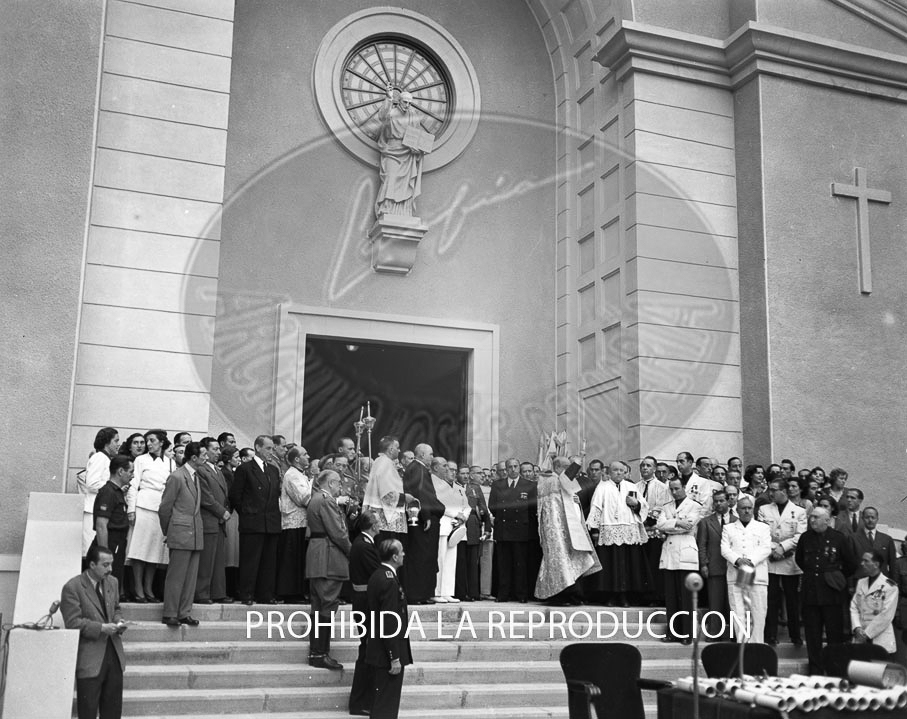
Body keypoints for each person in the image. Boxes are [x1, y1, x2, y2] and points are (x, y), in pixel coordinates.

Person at [61, 545, 127, 719]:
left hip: (114, 654)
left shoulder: (112, 582)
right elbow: (72, 623)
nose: (110, 569)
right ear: (91, 565)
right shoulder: (73, 587)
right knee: (88, 710)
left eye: (111, 564)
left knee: (113, 711)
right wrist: (101, 628)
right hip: (90, 658)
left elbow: (116, 608)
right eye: (105, 565)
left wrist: (118, 621)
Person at [796, 507, 858, 674]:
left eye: (816, 517)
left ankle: (834, 670)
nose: (812, 520)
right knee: (812, 635)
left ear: (827, 520)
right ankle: (815, 670)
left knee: (834, 635)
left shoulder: (838, 538)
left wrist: (835, 576)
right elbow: (800, 560)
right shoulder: (805, 538)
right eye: (811, 517)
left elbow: (851, 563)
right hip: (811, 594)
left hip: (832, 594)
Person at [535, 457, 601, 604]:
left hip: (570, 530)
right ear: (558, 467)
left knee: (572, 562)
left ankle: (573, 595)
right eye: (567, 467)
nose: (570, 471)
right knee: (559, 562)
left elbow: (569, 497)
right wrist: (577, 463)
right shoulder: (548, 479)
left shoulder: (563, 480)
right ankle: (558, 596)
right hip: (555, 531)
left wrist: (575, 501)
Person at [586, 460, 649, 606]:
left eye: (622, 470)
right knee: (611, 566)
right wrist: (595, 529)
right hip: (609, 530)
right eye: (615, 470)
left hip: (628, 531)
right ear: (609, 472)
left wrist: (636, 504)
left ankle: (625, 596)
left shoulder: (631, 486)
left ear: (625, 472)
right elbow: (596, 508)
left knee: (627, 565)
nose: (619, 473)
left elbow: (644, 506)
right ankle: (611, 596)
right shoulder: (602, 487)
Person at [305, 469, 351, 670]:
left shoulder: (316, 498)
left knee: (319, 604)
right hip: (328, 556)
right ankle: (320, 653)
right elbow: (338, 532)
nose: (340, 486)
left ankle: (317, 651)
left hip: (318, 554)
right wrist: (352, 552)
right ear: (330, 483)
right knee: (327, 604)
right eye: (338, 482)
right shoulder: (327, 500)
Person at [229, 435, 282, 605]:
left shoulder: (273, 470)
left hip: (271, 521)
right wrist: (246, 512)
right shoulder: (245, 469)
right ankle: (247, 594)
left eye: (273, 449)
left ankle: (265, 594)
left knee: (269, 561)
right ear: (258, 448)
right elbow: (235, 495)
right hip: (252, 522)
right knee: (250, 560)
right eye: (268, 448)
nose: (271, 452)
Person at [158, 441, 205, 627]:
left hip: (194, 533)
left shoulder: (195, 477)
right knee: (176, 576)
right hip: (181, 531)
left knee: (190, 577)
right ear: (194, 457)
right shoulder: (177, 477)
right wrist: (169, 530)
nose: (207, 457)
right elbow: (164, 508)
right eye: (203, 455)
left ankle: (184, 612)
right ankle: (170, 612)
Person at [366, 539, 413, 719]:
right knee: (386, 708)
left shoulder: (379, 575)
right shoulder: (388, 581)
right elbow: (390, 623)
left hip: (379, 651)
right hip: (387, 655)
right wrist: (395, 657)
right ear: (394, 557)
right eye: (401, 552)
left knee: (382, 705)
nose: (403, 554)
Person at [126, 430, 174, 603]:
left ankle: (149, 589)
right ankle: (138, 589)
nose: (149, 444)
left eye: (152, 440)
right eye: (147, 441)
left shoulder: (170, 463)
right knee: (140, 549)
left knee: (155, 551)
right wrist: (131, 509)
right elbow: (133, 485)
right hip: (143, 506)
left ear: (161, 443)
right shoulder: (140, 460)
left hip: (161, 509)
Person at [758, 479, 807, 647]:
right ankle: (770, 634)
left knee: (792, 600)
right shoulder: (764, 509)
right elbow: (762, 533)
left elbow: (800, 536)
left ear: (784, 491)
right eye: (770, 490)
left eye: (774, 490)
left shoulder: (799, 512)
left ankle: (795, 635)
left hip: (790, 560)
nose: (770, 493)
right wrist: (774, 549)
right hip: (771, 559)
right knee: (771, 599)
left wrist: (783, 548)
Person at [721, 495, 772, 643]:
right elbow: (724, 549)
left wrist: (750, 561)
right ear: (737, 510)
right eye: (743, 508)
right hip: (736, 574)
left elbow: (766, 548)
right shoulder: (728, 528)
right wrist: (738, 560)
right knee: (738, 612)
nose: (747, 511)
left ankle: (757, 646)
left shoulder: (763, 527)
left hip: (757, 575)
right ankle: (742, 646)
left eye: (749, 508)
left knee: (758, 612)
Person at [656, 478, 702, 643]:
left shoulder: (695, 506)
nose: (674, 492)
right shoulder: (667, 506)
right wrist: (677, 522)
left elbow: (689, 526)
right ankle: (672, 632)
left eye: (677, 488)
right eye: (672, 489)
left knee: (686, 597)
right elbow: (660, 525)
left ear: (684, 487)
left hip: (686, 553)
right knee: (672, 597)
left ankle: (687, 634)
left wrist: (673, 525)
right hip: (669, 554)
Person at [489, 457, 537, 603]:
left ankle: (521, 594)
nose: (513, 469)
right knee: (504, 565)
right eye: (510, 467)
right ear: (506, 469)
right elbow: (493, 506)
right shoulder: (498, 485)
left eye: (516, 466)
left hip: (521, 529)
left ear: (519, 468)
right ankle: (503, 594)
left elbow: (533, 508)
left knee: (520, 564)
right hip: (503, 529)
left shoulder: (529, 485)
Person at [375, 85, 427, 218]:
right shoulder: (391, 113)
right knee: (390, 177)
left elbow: (417, 135)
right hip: (392, 149)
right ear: (399, 101)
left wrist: (419, 148)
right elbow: (382, 117)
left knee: (406, 184)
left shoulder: (413, 115)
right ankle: (386, 208)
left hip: (407, 153)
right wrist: (388, 98)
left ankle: (403, 211)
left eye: (410, 103)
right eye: (405, 102)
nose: (407, 105)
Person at [348, 511, 382, 716]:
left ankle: (363, 700)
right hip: (366, 605)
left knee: (368, 651)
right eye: (377, 522)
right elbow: (378, 572)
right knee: (367, 652)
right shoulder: (364, 546)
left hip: (364, 602)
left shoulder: (363, 543)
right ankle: (360, 701)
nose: (380, 525)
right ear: (371, 526)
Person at [401, 443, 444, 604]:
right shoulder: (417, 468)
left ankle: (423, 594)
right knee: (421, 556)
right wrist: (426, 516)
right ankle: (418, 595)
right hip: (421, 519)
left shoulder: (417, 468)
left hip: (420, 517)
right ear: (421, 455)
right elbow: (420, 495)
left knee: (425, 556)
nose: (432, 457)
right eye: (430, 454)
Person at [195, 437, 231, 604]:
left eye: (218, 449)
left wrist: (226, 510)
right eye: (214, 449)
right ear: (205, 451)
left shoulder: (217, 470)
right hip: (209, 518)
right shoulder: (201, 470)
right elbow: (206, 497)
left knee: (218, 559)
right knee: (207, 559)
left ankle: (217, 592)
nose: (218, 452)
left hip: (220, 520)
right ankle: (202, 593)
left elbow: (225, 495)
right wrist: (221, 512)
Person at [89, 454, 133, 588]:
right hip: (110, 542)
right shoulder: (108, 492)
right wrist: (105, 555)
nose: (132, 476)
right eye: (130, 472)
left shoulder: (118, 492)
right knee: (105, 583)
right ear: (120, 471)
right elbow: (101, 525)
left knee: (114, 581)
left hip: (118, 542)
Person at [697, 489, 736, 639]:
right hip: (714, 566)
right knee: (715, 602)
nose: (718, 504)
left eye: (721, 500)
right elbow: (702, 545)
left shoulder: (736, 521)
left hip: (733, 567)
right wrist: (703, 564)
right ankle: (714, 633)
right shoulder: (706, 522)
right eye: (716, 501)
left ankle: (734, 634)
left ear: (728, 501)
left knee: (733, 602)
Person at [276, 445, 312, 602]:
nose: (308, 457)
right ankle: (290, 592)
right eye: (305, 454)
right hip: (293, 523)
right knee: (292, 559)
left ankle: (299, 591)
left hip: (302, 523)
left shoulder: (301, 475)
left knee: (299, 558)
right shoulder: (292, 475)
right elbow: (304, 498)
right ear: (297, 459)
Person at [431, 457, 468, 603]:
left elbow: (467, 506)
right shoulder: (437, 485)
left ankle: (447, 591)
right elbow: (439, 505)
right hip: (443, 525)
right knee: (440, 560)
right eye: (448, 469)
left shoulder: (459, 488)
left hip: (456, 527)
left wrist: (463, 516)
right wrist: (455, 514)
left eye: (453, 470)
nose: (451, 472)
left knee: (451, 562)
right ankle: (437, 591)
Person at [851, 549, 899, 659]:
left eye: (866, 561)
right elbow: (854, 607)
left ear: (876, 564)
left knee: (878, 672)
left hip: (879, 636)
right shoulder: (861, 582)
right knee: (860, 671)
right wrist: (857, 627)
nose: (862, 564)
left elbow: (886, 615)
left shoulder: (890, 586)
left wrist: (867, 634)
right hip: (860, 634)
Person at [79, 427, 119, 557]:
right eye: (116, 441)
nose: (118, 444)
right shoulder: (99, 457)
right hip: (92, 510)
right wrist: (113, 487)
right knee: (91, 551)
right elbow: (91, 483)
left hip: (99, 510)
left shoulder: (106, 459)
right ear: (107, 442)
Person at [459, 465, 492, 601]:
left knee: (473, 561)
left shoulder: (475, 488)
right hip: (459, 525)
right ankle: (461, 592)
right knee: (461, 561)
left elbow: (483, 508)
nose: (466, 476)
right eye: (464, 473)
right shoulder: (454, 487)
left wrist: (488, 528)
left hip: (473, 526)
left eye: (467, 473)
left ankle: (473, 592)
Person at [852, 507, 898, 580]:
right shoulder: (853, 538)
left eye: (873, 517)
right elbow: (849, 563)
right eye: (867, 517)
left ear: (877, 519)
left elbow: (893, 564)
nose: (870, 520)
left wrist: (894, 583)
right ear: (862, 518)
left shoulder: (887, 539)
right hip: (860, 581)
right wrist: (850, 584)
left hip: (882, 582)